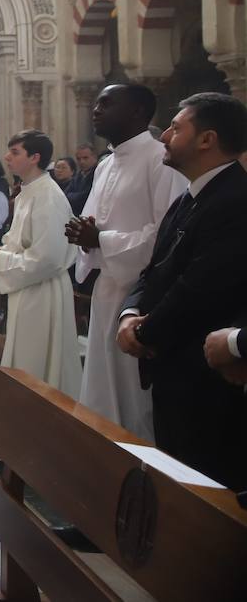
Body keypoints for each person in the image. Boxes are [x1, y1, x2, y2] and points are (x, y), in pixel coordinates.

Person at [117, 94, 247, 490]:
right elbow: (154, 269)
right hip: (171, 361)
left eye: (176, 127)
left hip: (204, 372)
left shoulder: (234, 200)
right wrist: (129, 313)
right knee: (176, 471)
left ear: (206, 139)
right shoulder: (190, 197)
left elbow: (201, 284)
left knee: (203, 485)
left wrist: (146, 331)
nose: (165, 136)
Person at [66, 84, 184, 439]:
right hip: (107, 289)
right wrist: (84, 235)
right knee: (102, 387)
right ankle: (104, 465)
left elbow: (166, 234)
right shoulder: (104, 165)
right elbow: (92, 223)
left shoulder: (160, 159)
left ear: (137, 112)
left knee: (134, 396)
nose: (96, 110)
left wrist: (99, 239)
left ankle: (140, 477)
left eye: (106, 103)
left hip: (141, 297)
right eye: (96, 103)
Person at [0, 130, 81, 397]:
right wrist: (3, 250)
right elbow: (23, 241)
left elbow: (48, 258)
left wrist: (3, 258)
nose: (7, 157)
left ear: (35, 157)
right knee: (24, 362)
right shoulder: (29, 190)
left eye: (15, 152)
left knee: (37, 364)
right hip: (27, 287)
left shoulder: (48, 195)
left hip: (42, 291)